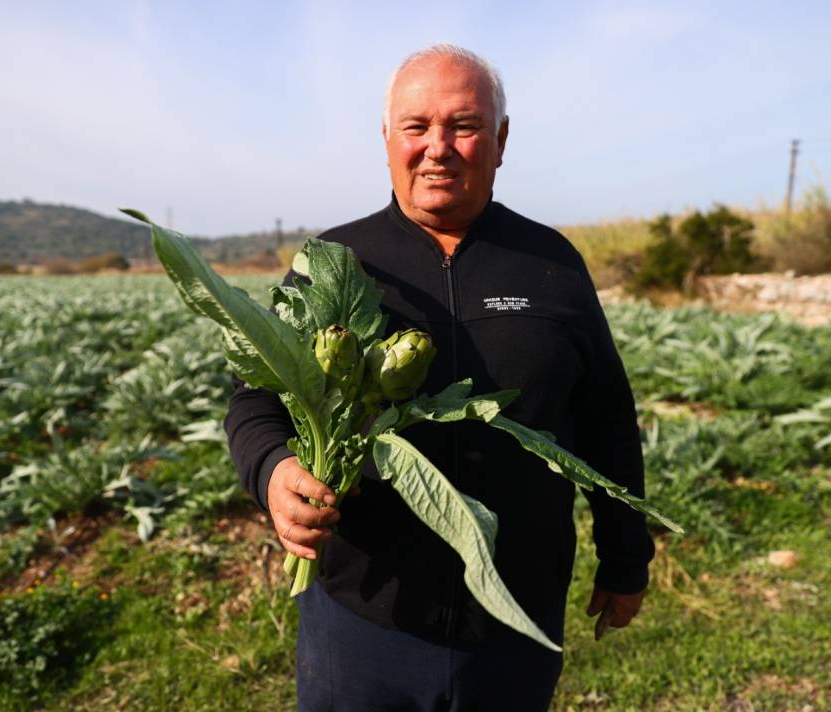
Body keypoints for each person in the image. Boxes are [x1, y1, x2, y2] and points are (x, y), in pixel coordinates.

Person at [224, 43, 654, 711]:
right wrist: (274, 472)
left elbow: (606, 420)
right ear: (388, 139)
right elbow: (255, 402)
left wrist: (626, 557)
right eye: (417, 127)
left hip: (515, 620)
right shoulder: (334, 261)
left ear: (501, 139)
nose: (438, 148)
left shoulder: (553, 265)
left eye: (465, 125)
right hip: (362, 617)